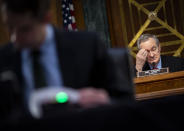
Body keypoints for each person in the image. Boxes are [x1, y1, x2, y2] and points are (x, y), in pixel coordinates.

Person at [0, 0, 134, 122]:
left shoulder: (87, 46)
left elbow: (125, 101)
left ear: (47, 19)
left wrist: (105, 100)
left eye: (25, 29)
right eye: (10, 27)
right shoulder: (4, 58)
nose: (14, 38)